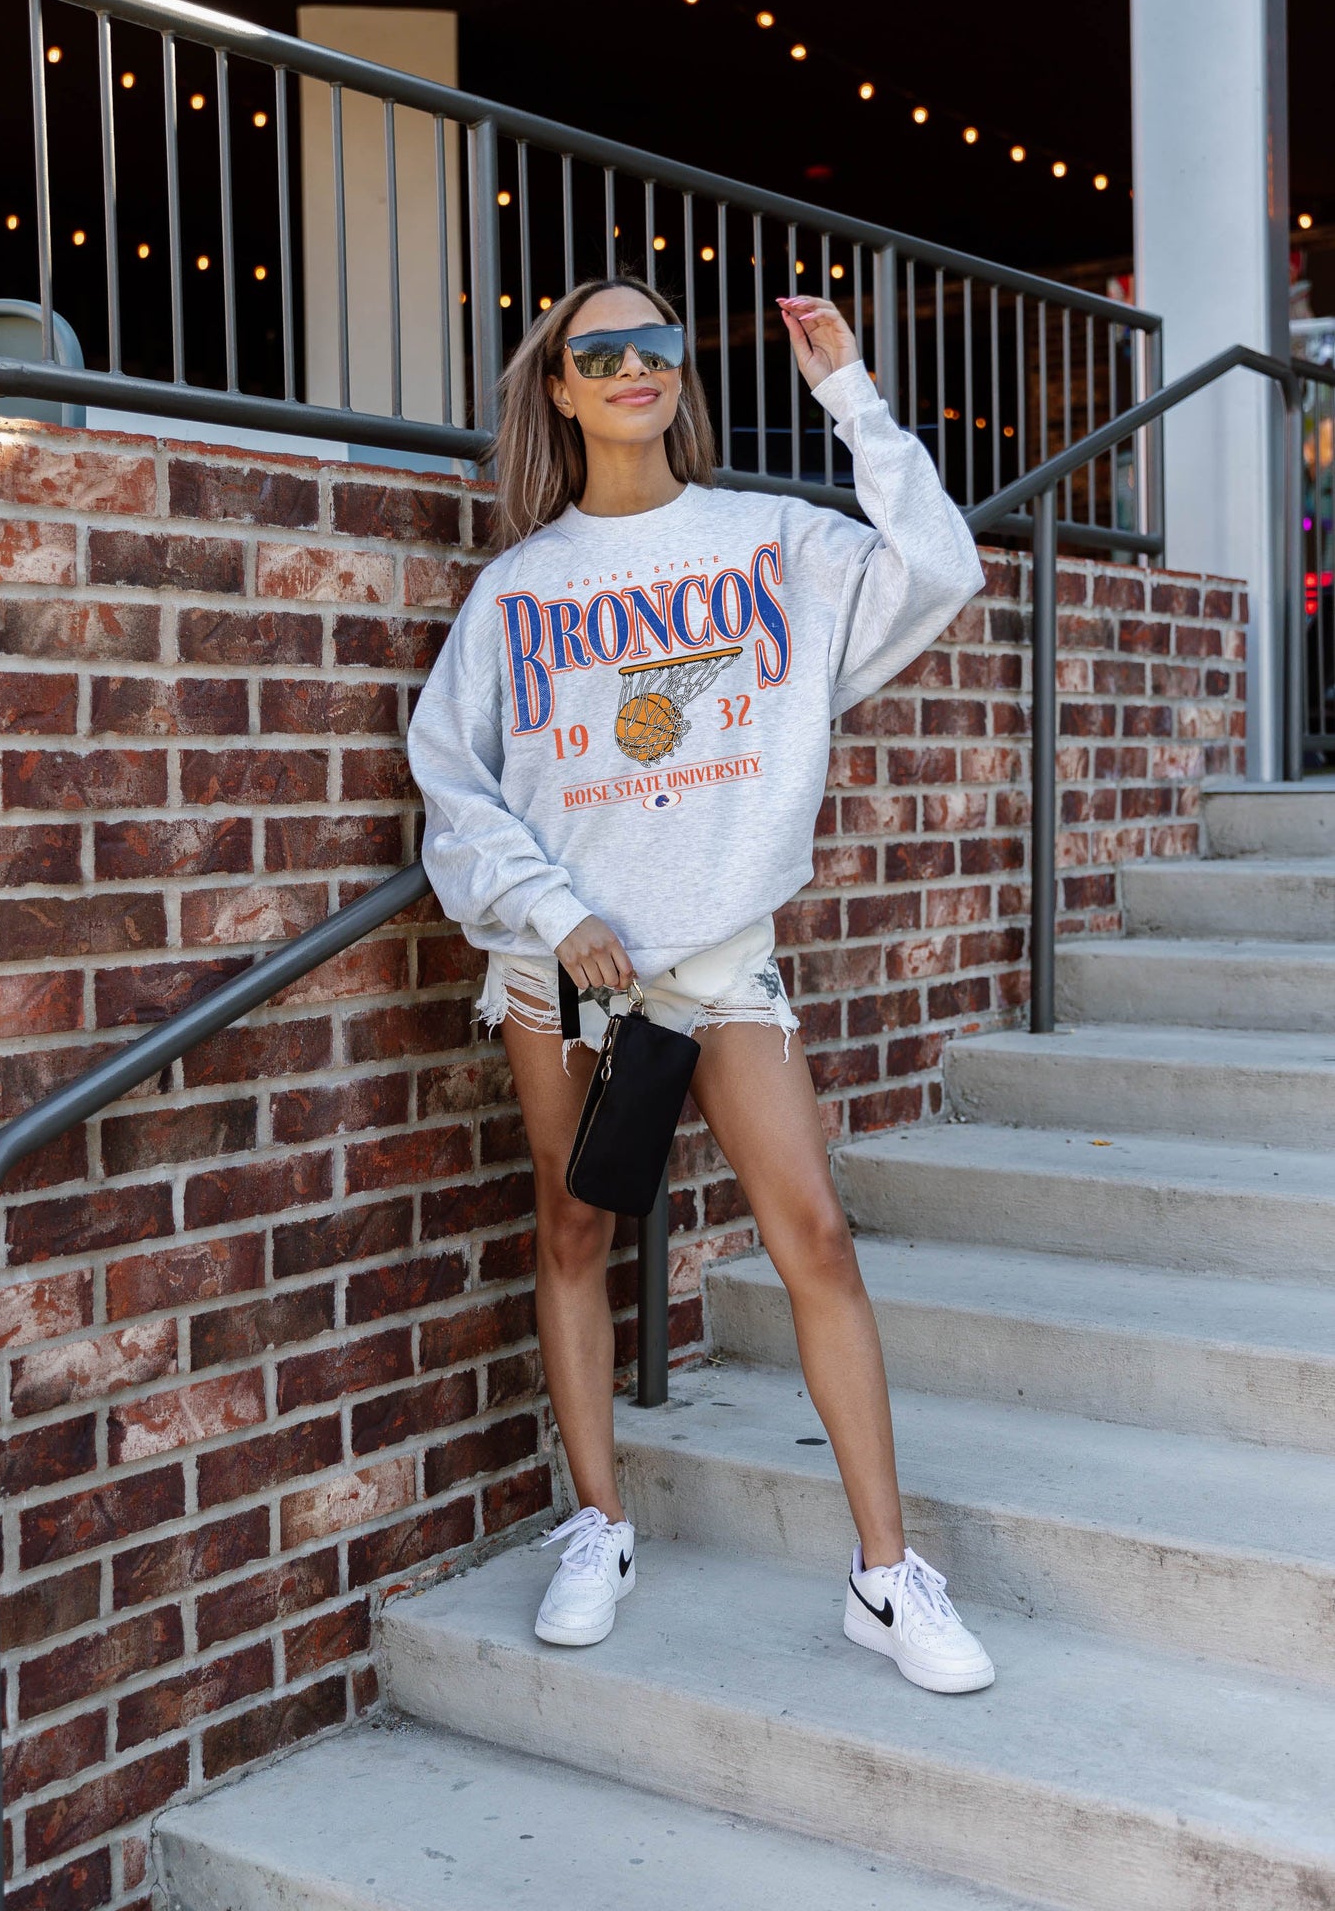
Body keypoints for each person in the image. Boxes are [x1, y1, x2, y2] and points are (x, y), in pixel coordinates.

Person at [406, 274, 995, 1694]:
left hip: (722, 958)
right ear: (559, 389)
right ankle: (598, 1525)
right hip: (565, 966)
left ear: (679, 369)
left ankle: (885, 1575)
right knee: (573, 1230)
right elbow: (452, 778)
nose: (632, 366)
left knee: (816, 1239)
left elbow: (939, 567)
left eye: (655, 343)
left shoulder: (771, 541)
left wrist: (847, 392)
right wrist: (554, 912)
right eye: (597, 351)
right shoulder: (518, 588)